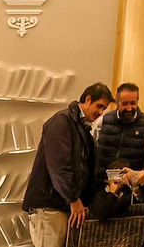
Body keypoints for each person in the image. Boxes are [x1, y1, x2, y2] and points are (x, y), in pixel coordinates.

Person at [24, 82, 114, 247]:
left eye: (104, 109)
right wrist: (73, 199)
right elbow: (59, 166)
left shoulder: (83, 130)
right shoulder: (62, 121)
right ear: (87, 99)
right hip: (50, 206)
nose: (101, 113)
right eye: (99, 106)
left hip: (63, 206)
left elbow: (85, 169)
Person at [89, 82, 144, 216]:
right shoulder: (102, 121)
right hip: (102, 188)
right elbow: (91, 152)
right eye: (125, 104)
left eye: (133, 103)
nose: (130, 108)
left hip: (130, 192)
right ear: (117, 102)